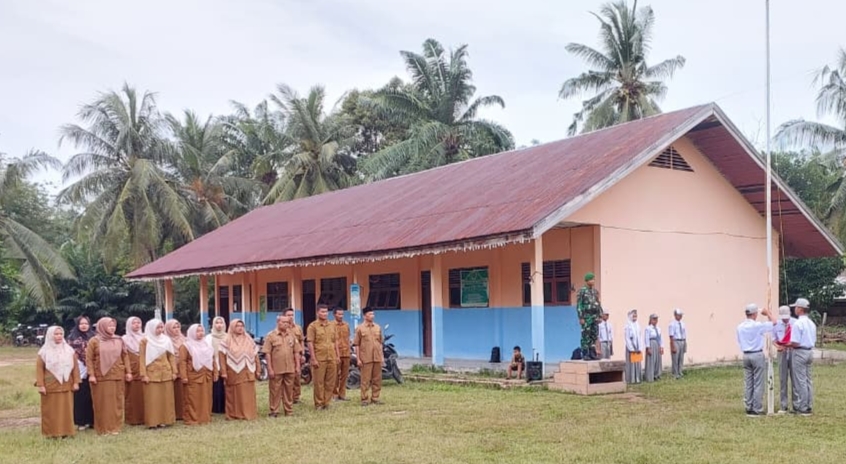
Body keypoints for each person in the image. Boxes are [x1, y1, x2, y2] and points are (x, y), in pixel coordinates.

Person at [86, 317, 132, 435]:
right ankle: (103, 428)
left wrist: (128, 372)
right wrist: (91, 374)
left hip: (117, 374)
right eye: (109, 326)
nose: (112, 328)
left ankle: (115, 427)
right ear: (102, 327)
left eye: (113, 326)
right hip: (101, 376)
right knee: (103, 402)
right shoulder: (94, 341)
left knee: (116, 401)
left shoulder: (119, 339)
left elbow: (125, 356)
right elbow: (89, 359)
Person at [36, 326, 80, 438]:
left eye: (61, 334)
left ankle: (67, 432)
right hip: (51, 385)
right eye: (56, 334)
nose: (59, 336)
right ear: (50, 335)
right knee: (51, 409)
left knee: (66, 409)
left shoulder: (69, 350)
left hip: (66, 384)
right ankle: (52, 433)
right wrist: (41, 385)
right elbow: (39, 369)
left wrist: (76, 382)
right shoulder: (44, 351)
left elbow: (75, 368)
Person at [736, 303, 777, 417]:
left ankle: (748, 405)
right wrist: (768, 313)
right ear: (754, 314)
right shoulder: (757, 325)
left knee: (748, 382)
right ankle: (757, 407)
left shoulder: (740, 326)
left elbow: (739, 341)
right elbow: (774, 322)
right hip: (757, 354)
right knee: (758, 382)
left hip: (746, 354)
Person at [219, 319, 260, 420]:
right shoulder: (226, 340)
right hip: (233, 371)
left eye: (242, 326)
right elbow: (222, 358)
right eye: (237, 326)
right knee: (234, 393)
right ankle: (234, 414)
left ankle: (249, 413)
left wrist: (258, 369)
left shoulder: (249, 339)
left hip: (248, 370)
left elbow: (255, 356)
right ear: (232, 327)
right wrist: (223, 372)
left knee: (248, 393)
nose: (240, 328)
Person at [139, 319, 177, 428]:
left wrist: (174, 371)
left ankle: (166, 420)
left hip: (166, 372)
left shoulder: (166, 340)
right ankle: (153, 422)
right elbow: (142, 358)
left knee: (166, 397)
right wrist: (143, 374)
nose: (160, 330)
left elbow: (171, 356)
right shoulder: (145, 341)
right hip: (151, 373)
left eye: (161, 327)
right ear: (151, 328)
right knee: (153, 398)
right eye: (157, 327)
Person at [262, 315, 301, 417]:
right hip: (276, 368)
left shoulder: (292, 336)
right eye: (283, 322)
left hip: (290, 368)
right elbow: (267, 353)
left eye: (288, 322)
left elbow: (296, 352)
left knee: (289, 390)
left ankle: (289, 410)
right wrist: (269, 368)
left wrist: (297, 366)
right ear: (278, 322)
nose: (286, 324)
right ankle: (274, 410)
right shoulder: (271, 336)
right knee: (275, 390)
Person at [179, 324, 218, 425]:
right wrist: (183, 376)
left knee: (206, 397)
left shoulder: (207, 345)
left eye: (202, 331)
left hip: (206, 375)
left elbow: (212, 360)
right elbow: (182, 362)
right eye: (197, 331)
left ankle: (205, 417)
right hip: (193, 375)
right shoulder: (186, 346)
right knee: (193, 397)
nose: (200, 333)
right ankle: (193, 418)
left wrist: (215, 372)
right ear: (192, 333)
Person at [307, 304, 340, 410]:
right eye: (322, 312)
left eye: (326, 312)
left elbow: (335, 342)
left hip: (331, 357)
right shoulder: (313, 326)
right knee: (318, 382)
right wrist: (313, 358)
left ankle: (327, 402)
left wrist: (337, 356)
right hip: (319, 357)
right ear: (317, 313)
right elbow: (310, 343)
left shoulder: (332, 325)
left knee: (330, 381)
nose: (324, 314)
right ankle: (319, 403)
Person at [788, 298, 817, 416]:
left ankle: (802, 406)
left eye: (796, 307)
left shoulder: (798, 323)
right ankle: (808, 404)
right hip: (809, 351)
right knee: (807, 379)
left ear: (800, 309)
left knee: (800, 380)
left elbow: (795, 342)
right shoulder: (812, 323)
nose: (795, 309)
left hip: (799, 352)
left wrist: (785, 344)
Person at [67, 315, 95, 431]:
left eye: (86, 324)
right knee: (80, 396)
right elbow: (69, 353)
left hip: (92, 368)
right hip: (79, 367)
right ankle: (81, 421)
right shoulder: (72, 337)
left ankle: (92, 420)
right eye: (81, 324)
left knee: (91, 396)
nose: (84, 326)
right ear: (77, 325)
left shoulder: (94, 337)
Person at [353, 306, 384, 406]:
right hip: (365, 358)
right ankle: (364, 399)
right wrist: (358, 359)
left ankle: (375, 397)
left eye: (373, 314)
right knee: (365, 380)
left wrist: (382, 357)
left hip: (377, 357)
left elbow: (380, 343)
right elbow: (356, 344)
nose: (372, 316)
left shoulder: (377, 327)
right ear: (364, 316)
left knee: (377, 379)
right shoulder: (360, 328)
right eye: (370, 314)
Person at [773, 305, 798, 414]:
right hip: (782, 352)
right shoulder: (776, 324)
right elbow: (774, 339)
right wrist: (777, 346)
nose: (785, 319)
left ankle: (796, 405)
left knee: (795, 378)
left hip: (793, 352)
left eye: (786, 317)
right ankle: (783, 405)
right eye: (783, 317)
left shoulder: (796, 323)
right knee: (783, 379)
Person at [122, 316, 145, 425]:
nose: (136, 325)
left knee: (144, 393)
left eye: (138, 323)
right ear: (129, 325)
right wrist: (127, 371)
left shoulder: (145, 337)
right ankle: (132, 418)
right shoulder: (124, 339)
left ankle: (144, 417)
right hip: (131, 369)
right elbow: (123, 356)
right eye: (134, 323)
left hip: (144, 369)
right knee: (132, 394)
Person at [576, 272, 603, 360]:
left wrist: (600, 315)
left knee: (594, 335)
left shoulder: (595, 292)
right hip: (586, 317)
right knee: (586, 335)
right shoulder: (582, 291)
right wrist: (581, 317)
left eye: (593, 279)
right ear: (587, 280)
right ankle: (585, 353)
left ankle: (592, 353)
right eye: (591, 279)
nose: (593, 281)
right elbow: (579, 305)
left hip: (594, 317)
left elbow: (598, 304)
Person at [205, 316, 227, 414]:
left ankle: (226, 407)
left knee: (225, 387)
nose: (219, 325)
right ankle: (215, 408)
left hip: (226, 365)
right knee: (216, 387)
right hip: (214, 364)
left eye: (221, 323)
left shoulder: (228, 337)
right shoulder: (209, 337)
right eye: (217, 323)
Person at [165, 319, 186, 421]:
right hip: (170, 368)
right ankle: (172, 413)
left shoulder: (184, 339)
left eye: (178, 327)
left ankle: (182, 413)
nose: (177, 329)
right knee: (171, 391)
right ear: (168, 329)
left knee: (182, 391)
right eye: (174, 327)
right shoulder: (165, 340)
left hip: (182, 368)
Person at [284, 308, 305, 404]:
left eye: (292, 315)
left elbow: (301, 341)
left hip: (297, 356)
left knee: (297, 376)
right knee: (288, 377)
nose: (291, 317)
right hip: (286, 356)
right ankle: (287, 397)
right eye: (288, 315)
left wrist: (303, 354)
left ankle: (296, 397)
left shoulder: (298, 328)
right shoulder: (283, 328)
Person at [333, 307, 352, 401]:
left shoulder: (346, 325)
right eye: (339, 314)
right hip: (336, 354)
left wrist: (350, 349)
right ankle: (334, 394)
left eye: (342, 314)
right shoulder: (331, 325)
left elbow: (348, 338)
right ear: (334, 315)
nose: (341, 316)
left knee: (344, 375)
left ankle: (342, 394)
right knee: (335, 375)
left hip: (346, 353)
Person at [624, 310, 643, 384]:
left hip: (638, 347)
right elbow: (627, 338)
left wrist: (640, 347)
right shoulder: (628, 326)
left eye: (636, 316)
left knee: (637, 363)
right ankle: (631, 379)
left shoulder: (638, 325)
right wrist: (631, 348)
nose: (635, 317)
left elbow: (640, 336)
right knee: (631, 364)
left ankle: (637, 378)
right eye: (633, 316)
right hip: (631, 348)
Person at [668, 308, 687, 379]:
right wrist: (672, 346)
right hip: (675, 341)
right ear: (675, 315)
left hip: (682, 340)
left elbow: (684, 333)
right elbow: (671, 336)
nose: (680, 316)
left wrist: (685, 343)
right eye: (679, 315)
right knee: (675, 358)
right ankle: (675, 373)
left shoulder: (683, 324)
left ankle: (680, 371)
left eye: (681, 315)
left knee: (681, 358)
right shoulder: (672, 324)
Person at [643, 314, 663, 382]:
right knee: (651, 360)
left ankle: (657, 375)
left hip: (657, 343)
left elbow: (660, 338)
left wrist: (661, 346)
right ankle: (649, 376)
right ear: (651, 320)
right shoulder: (648, 328)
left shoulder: (658, 328)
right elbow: (646, 338)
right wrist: (648, 347)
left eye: (656, 319)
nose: (655, 321)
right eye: (654, 319)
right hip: (651, 343)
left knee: (658, 360)